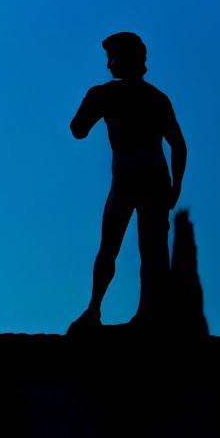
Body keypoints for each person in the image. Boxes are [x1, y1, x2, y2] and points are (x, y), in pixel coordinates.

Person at [68, 32, 187, 333]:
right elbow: (179, 146)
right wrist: (176, 186)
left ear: (123, 60)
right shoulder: (155, 98)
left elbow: (78, 129)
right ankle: (143, 313)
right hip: (154, 178)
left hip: (131, 178)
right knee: (151, 249)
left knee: (114, 246)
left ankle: (102, 310)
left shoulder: (108, 94)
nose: (108, 65)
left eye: (111, 58)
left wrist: (94, 102)